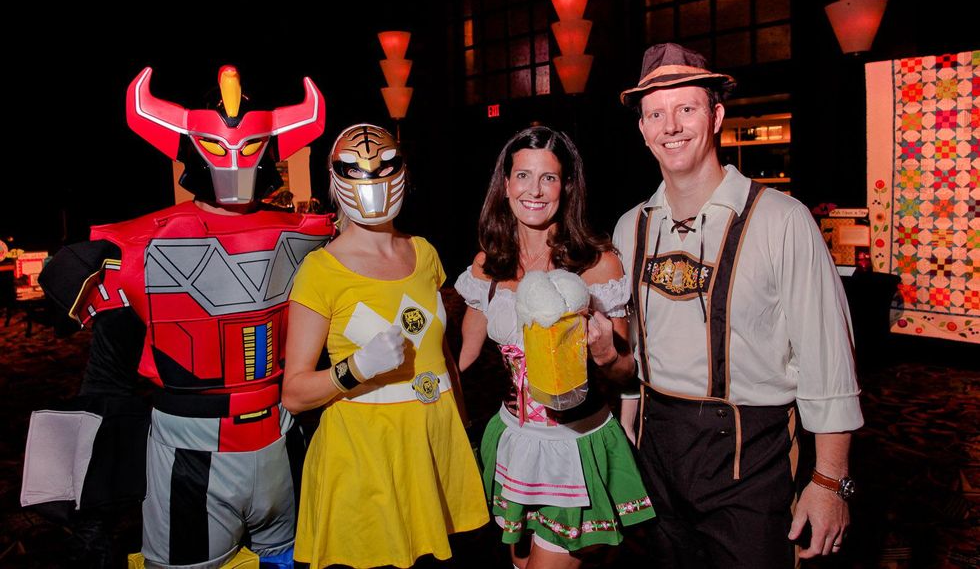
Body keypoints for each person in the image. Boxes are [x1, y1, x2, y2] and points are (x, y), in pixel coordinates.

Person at [24, 66, 334, 568]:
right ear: (191, 149)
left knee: (291, 557)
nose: (234, 162)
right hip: (188, 449)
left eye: (249, 146)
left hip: (282, 436)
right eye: (217, 147)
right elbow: (106, 376)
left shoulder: (307, 233)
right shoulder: (135, 248)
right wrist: (93, 503)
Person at [611, 43, 864, 568]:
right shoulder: (631, 226)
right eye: (655, 113)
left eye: (686, 108)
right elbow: (632, 347)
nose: (671, 125)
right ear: (641, 129)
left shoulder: (782, 219)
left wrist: (829, 480)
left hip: (752, 452)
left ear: (717, 115)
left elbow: (828, 357)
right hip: (657, 447)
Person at [282, 123, 488, 569]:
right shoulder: (321, 270)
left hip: (434, 444)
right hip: (365, 455)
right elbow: (294, 395)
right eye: (354, 169)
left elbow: (443, 356)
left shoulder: (424, 252)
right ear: (336, 179)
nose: (371, 179)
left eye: (383, 167)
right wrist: (356, 367)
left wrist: (464, 431)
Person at [454, 126, 655, 569]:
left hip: (574, 448)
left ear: (566, 187)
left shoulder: (597, 263)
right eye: (523, 176)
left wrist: (603, 352)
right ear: (505, 186)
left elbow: (626, 373)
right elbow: (462, 358)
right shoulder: (489, 264)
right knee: (520, 563)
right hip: (513, 439)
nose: (535, 190)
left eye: (549, 178)